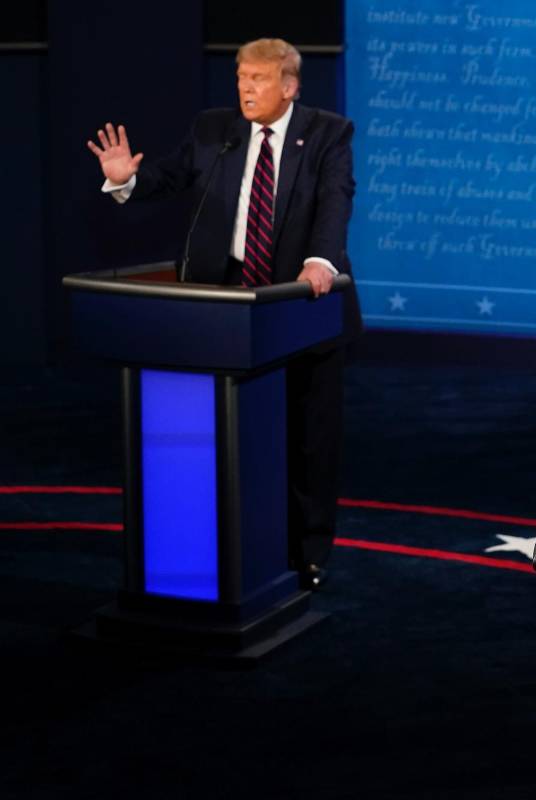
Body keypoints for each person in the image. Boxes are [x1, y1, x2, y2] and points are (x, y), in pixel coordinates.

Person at [86, 38, 360, 591]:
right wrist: (126, 179)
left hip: (301, 302)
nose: (245, 88)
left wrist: (319, 261)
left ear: (290, 86)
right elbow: (167, 177)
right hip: (227, 309)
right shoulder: (216, 129)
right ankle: (237, 541)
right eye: (240, 77)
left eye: (258, 79)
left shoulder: (328, 133)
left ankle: (307, 552)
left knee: (309, 436)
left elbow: (336, 198)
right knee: (232, 435)